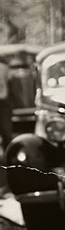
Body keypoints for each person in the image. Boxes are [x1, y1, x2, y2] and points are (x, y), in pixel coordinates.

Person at [0, 56, 11, 198]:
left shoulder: (3, 68)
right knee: (7, 136)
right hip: (4, 103)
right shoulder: (4, 67)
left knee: (7, 137)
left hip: (3, 104)